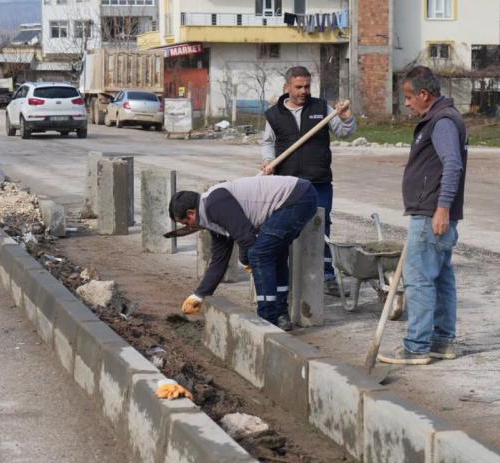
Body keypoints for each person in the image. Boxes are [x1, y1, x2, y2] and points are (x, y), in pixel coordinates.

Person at [378, 66, 467, 366]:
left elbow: (452, 165)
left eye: (408, 97)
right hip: (434, 213)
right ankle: (442, 342)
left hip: (431, 215)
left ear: (424, 95)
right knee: (441, 279)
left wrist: (441, 208)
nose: (406, 103)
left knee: (418, 281)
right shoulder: (441, 118)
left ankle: (416, 347)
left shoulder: (441, 122)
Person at [170, 175, 318, 331]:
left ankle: (267, 321)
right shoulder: (212, 217)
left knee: (259, 254)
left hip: (296, 198)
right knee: (272, 252)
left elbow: (246, 238)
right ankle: (280, 316)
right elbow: (219, 261)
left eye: (186, 223)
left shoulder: (215, 204)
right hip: (297, 196)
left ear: (191, 213)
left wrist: (247, 261)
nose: (190, 228)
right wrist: (199, 295)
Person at [261, 66, 356, 297]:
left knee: (320, 227)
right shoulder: (274, 114)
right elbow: (267, 142)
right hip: (287, 184)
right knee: (286, 228)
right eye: (299, 87)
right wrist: (269, 161)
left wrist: (346, 117)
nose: (304, 91)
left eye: (307, 86)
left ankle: (326, 276)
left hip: (318, 181)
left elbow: (345, 133)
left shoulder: (322, 108)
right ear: (287, 87)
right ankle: (289, 274)